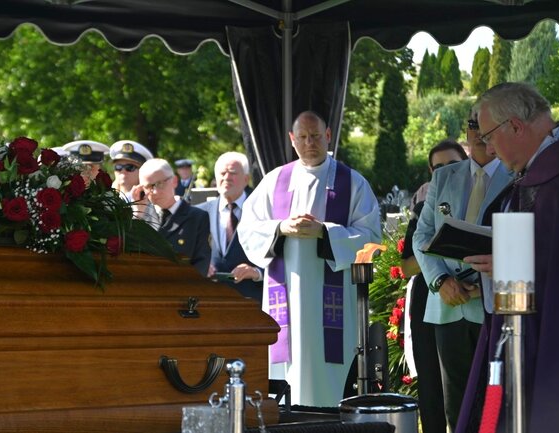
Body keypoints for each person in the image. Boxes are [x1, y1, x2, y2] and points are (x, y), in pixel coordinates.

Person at [456, 82, 559, 433]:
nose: (489, 149)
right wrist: (505, 264)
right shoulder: (534, 175)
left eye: (489, 137)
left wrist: (513, 265)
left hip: (558, 349)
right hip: (513, 334)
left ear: (515, 125)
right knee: (500, 414)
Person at [238, 111, 381, 407]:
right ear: (292, 140)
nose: (309, 143)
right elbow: (248, 229)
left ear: (328, 135)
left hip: (331, 305)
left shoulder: (352, 182)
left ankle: (330, 422)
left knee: (326, 381)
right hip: (286, 298)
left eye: (315, 136)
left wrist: (324, 232)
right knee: (286, 378)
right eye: (302, 137)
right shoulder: (275, 181)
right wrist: (281, 227)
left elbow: (370, 236)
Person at [413, 117, 512, 432]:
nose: (480, 132)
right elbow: (421, 235)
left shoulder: (517, 174)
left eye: (487, 123)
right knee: (457, 406)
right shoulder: (444, 176)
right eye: (473, 123)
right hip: (448, 306)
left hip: (494, 305)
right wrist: (441, 280)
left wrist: (490, 281)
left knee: (495, 400)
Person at [401, 139, 468, 433]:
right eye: (437, 167)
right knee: (431, 382)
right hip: (428, 298)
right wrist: (440, 251)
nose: (445, 172)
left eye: (452, 164)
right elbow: (407, 266)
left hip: (469, 298)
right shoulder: (423, 208)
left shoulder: (480, 197)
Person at [197, 151, 263, 302]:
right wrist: (199, 266)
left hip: (252, 300)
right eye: (222, 173)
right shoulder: (199, 212)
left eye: (233, 173)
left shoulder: (263, 209)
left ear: (246, 179)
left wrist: (257, 272)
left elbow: (278, 256)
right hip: (211, 301)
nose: (227, 177)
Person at [131, 158, 210, 277]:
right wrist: (138, 213)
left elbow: (201, 264)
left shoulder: (197, 217)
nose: (155, 191)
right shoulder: (140, 217)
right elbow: (130, 255)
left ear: (174, 181)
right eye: (148, 187)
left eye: (160, 184)